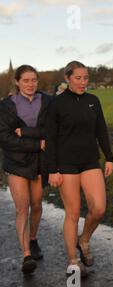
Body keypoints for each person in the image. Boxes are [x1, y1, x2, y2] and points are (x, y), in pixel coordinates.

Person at [45, 61, 113, 277]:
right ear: (68, 78)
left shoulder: (93, 101)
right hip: (66, 165)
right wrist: (52, 170)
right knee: (73, 213)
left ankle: (83, 240)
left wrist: (109, 157)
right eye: (78, 78)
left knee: (99, 208)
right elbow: (51, 139)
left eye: (86, 78)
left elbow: (101, 130)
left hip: (90, 162)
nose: (83, 82)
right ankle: (73, 261)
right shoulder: (56, 104)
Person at [0, 65, 51, 274]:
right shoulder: (6, 106)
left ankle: (33, 238)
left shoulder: (47, 101)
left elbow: (51, 129)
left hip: (39, 163)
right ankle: (26, 254)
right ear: (17, 83)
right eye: (26, 81)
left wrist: (28, 132)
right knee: (23, 207)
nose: (31, 84)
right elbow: (5, 138)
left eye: (34, 80)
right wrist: (36, 143)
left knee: (37, 205)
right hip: (16, 162)